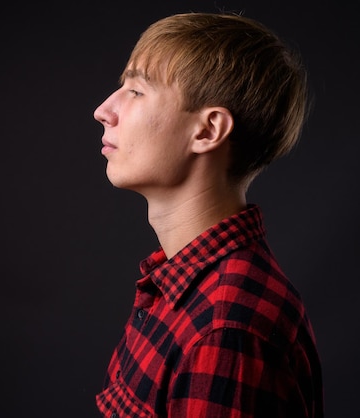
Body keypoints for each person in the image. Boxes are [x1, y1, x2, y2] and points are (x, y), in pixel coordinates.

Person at [92, 12, 324, 418]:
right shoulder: (174, 284)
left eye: (137, 91)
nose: (104, 110)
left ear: (208, 130)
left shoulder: (225, 328)